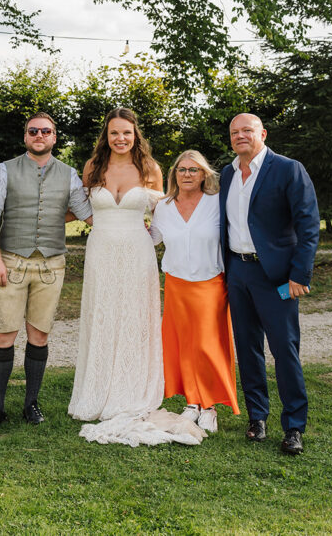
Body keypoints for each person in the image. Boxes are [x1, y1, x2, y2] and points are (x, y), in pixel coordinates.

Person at [68, 108, 204, 446]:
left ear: (135, 134)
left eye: (126, 133)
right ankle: (97, 389)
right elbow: (84, 207)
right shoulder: (93, 167)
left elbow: (164, 214)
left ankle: (132, 387)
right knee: (102, 315)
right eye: (114, 133)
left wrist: (156, 236)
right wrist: (100, 225)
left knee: (134, 317)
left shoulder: (150, 169)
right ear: (106, 135)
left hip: (137, 253)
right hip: (100, 252)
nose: (120, 139)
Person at [0, 112, 92, 430]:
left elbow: (86, 214)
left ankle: (31, 404)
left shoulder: (69, 174)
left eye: (46, 131)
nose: (39, 135)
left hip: (51, 265)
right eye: (33, 131)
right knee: (4, 335)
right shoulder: (5, 170)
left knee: (39, 334)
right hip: (11, 261)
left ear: (55, 137)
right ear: (25, 137)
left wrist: (126, 226)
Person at [220, 114, 319, 455]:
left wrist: (299, 275)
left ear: (262, 133)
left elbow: (309, 225)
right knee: (247, 349)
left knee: (284, 350)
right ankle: (257, 417)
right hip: (238, 272)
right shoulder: (228, 173)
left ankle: (293, 426)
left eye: (247, 130)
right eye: (234, 132)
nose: (240, 136)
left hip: (275, 276)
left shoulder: (288, 169)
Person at [150, 150, 240, 434]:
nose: (187, 175)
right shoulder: (163, 206)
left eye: (194, 170)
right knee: (184, 344)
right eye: (181, 170)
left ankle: (210, 405)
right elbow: (153, 238)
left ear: (204, 174)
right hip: (176, 283)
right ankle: (192, 402)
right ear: (174, 174)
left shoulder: (217, 203)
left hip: (210, 282)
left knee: (207, 345)